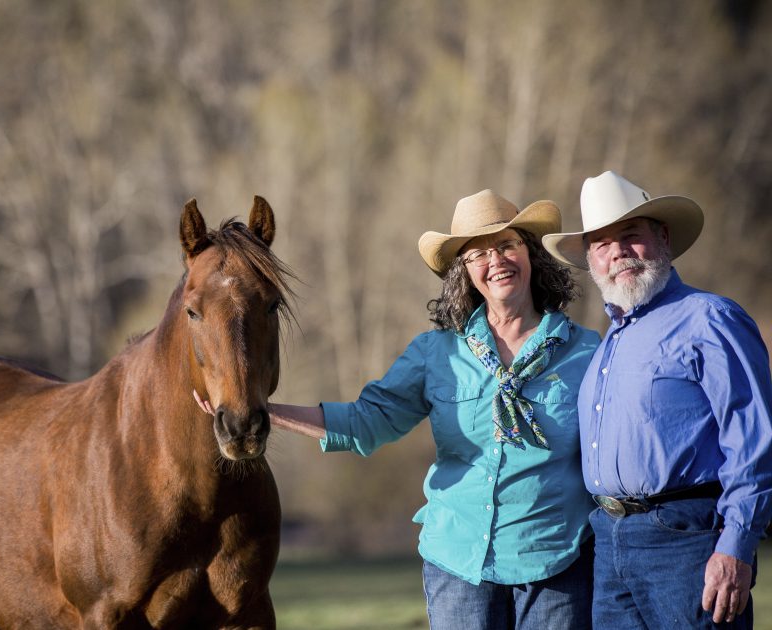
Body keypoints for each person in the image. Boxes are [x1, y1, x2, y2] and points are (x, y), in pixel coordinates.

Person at [198, 189, 600, 629]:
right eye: (478, 254)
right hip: (459, 565)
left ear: (531, 256)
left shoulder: (586, 353)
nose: (496, 261)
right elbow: (367, 423)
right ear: (464, 273)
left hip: (555, 565)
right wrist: (261, 411)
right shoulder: (437, 354)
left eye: (507, 246)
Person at [542, 170, 772, 629]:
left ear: (662, 237)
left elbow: (754, 442)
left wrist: (736, 545)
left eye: (631, 236)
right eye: (602, 244)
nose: (618, 252)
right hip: (609, 541)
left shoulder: (710, 319)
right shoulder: (608, 342)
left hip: (687, 539)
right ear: (591, 260)